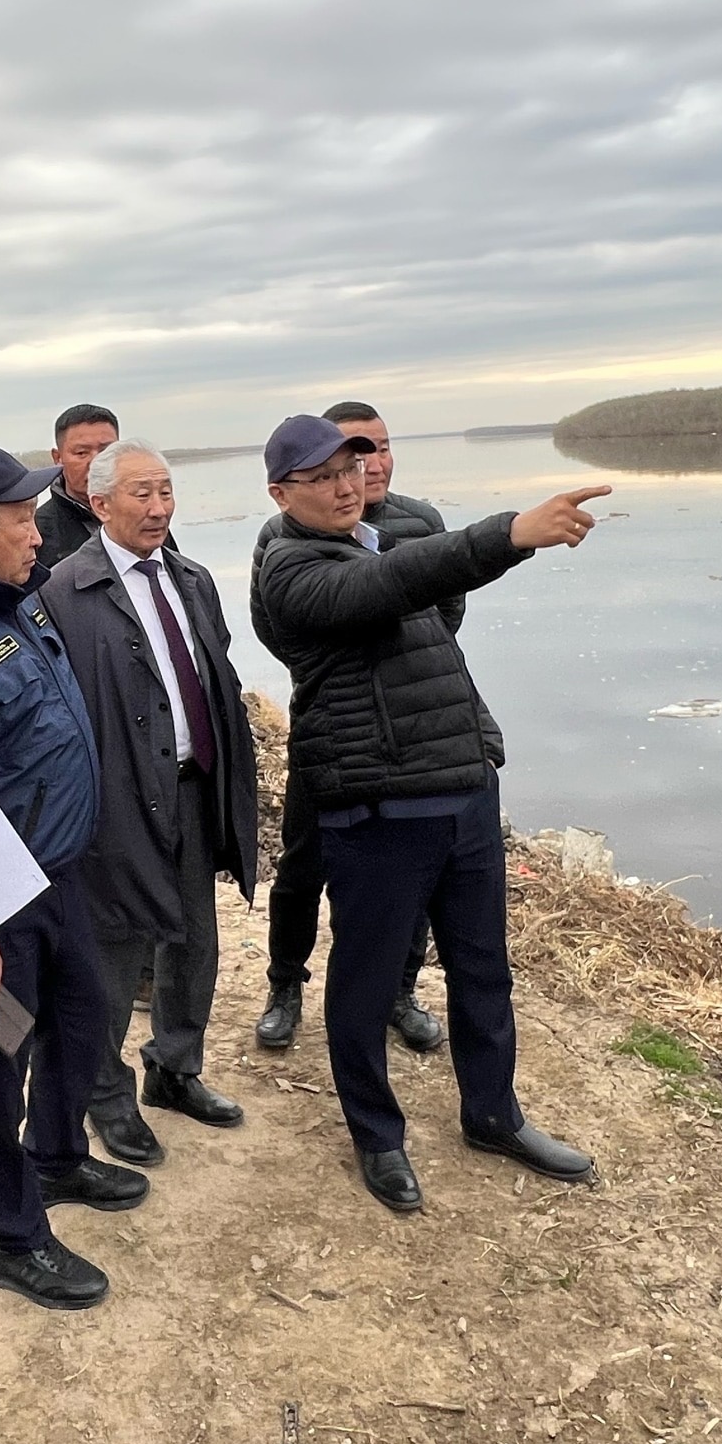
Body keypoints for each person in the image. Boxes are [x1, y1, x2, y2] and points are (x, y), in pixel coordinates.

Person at [251, 413, 607, 1212]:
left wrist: (480, 749)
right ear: (281, 493)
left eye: (354, 467)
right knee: (366, 985)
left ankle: (493, 1114)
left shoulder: (376, 543)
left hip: (462, 794)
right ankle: (377, 1137)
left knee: (484, 972)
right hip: (377, 811)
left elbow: (431, 612)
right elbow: (399, 584)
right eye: (325, 476)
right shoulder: (292, 568)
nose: (348, 485)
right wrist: (515, 532)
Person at [0, 444, 150, 1311]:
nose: (38, 534)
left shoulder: (19, 604)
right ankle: (10, 1237)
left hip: (61, 879)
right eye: (21, 518)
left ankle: (57, 1157)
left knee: (83, 1019)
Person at [42, 438, 259, 1167]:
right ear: (99, 504)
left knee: (196, 941)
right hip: (123, 800)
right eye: (141, 493)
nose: (159, 507)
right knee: (116, 954)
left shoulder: (193, 578)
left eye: (166, 491)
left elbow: (212, 671)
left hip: (198, 790)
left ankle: (176, 1067)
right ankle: (108, 1095)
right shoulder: (64, 593)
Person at [257, 400, 455, 1056]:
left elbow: (445, 612)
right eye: (348, 454)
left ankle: (401, 991)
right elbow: (275, 627)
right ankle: (284, 986)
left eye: (378, 447)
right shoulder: (281, 535)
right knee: (301, 865)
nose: (365, 465)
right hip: (330, 729)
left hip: (410, 736)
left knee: (414, 873)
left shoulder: (418, 521)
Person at [33, 403, 118, 566]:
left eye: (107, 452)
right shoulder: (37, 533)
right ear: (57, 458)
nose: (96, 462)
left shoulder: (142, 516)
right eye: (81, 453)